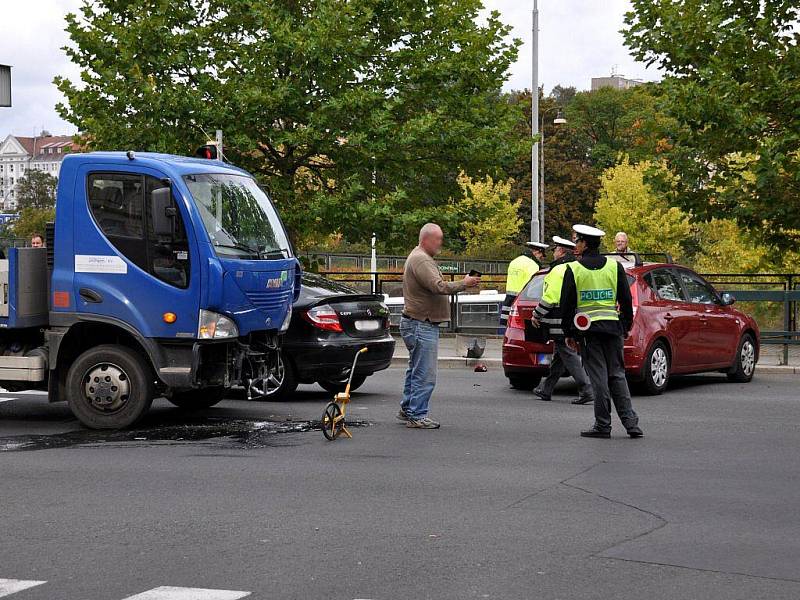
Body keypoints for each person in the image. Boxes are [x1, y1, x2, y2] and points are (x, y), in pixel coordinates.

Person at [560, 224, 643, 439]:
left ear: (585, 243)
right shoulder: (614, 267)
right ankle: (631, 423)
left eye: (577, 241)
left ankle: (603, 425)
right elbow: (626, 299)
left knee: (598, 378)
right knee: (617, 375)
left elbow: (567, 305)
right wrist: (625, 326)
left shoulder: (574, 269)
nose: (575, 245)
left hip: (589, 333)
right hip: (613, 329)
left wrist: (569, 333)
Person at [400, 223, 480, 429]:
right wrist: (465, 283)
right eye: (438, 239)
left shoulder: (419, 257)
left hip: (416, 322)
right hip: (422, 323)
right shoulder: (421, 260)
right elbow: (439, 287)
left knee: (415, 369)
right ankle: (417, 415)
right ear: (426, 239)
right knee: (425, 373)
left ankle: (409, 408)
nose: (440, 243)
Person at [531, 236, 595, 405]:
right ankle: (546, 389)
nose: (553, 253)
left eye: (554, 250)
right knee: (560, 355)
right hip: (578, 317)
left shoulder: (558, 270)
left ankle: (586, 388)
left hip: (559, 319)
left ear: (560, 251)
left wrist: (536, 314)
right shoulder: (578, 267)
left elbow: (550, 298)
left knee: (566, 352)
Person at [500, 241, 548, 326]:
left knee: (508, 326)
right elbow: (535, 284)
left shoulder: (515, 261)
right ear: (537, 252)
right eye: (541, 255)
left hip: (509, 299)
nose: (541, 258)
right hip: (523, 300)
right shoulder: (533, 265)